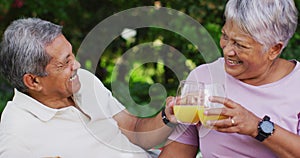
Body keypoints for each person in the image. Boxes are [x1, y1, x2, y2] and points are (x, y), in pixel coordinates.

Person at [0, 18, 177, 158]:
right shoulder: (17, 133)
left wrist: (167, 116)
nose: (76, 65)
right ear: (33, 81)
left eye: (72, 55)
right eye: (65, 62)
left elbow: (134, 129)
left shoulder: (83, 81)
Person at [159, 0, 300, 157]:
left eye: (240, 45)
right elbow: (177, 152)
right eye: (225, 36)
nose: (227, 51)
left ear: (274, 49)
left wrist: (256, 127)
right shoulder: (204, 78)